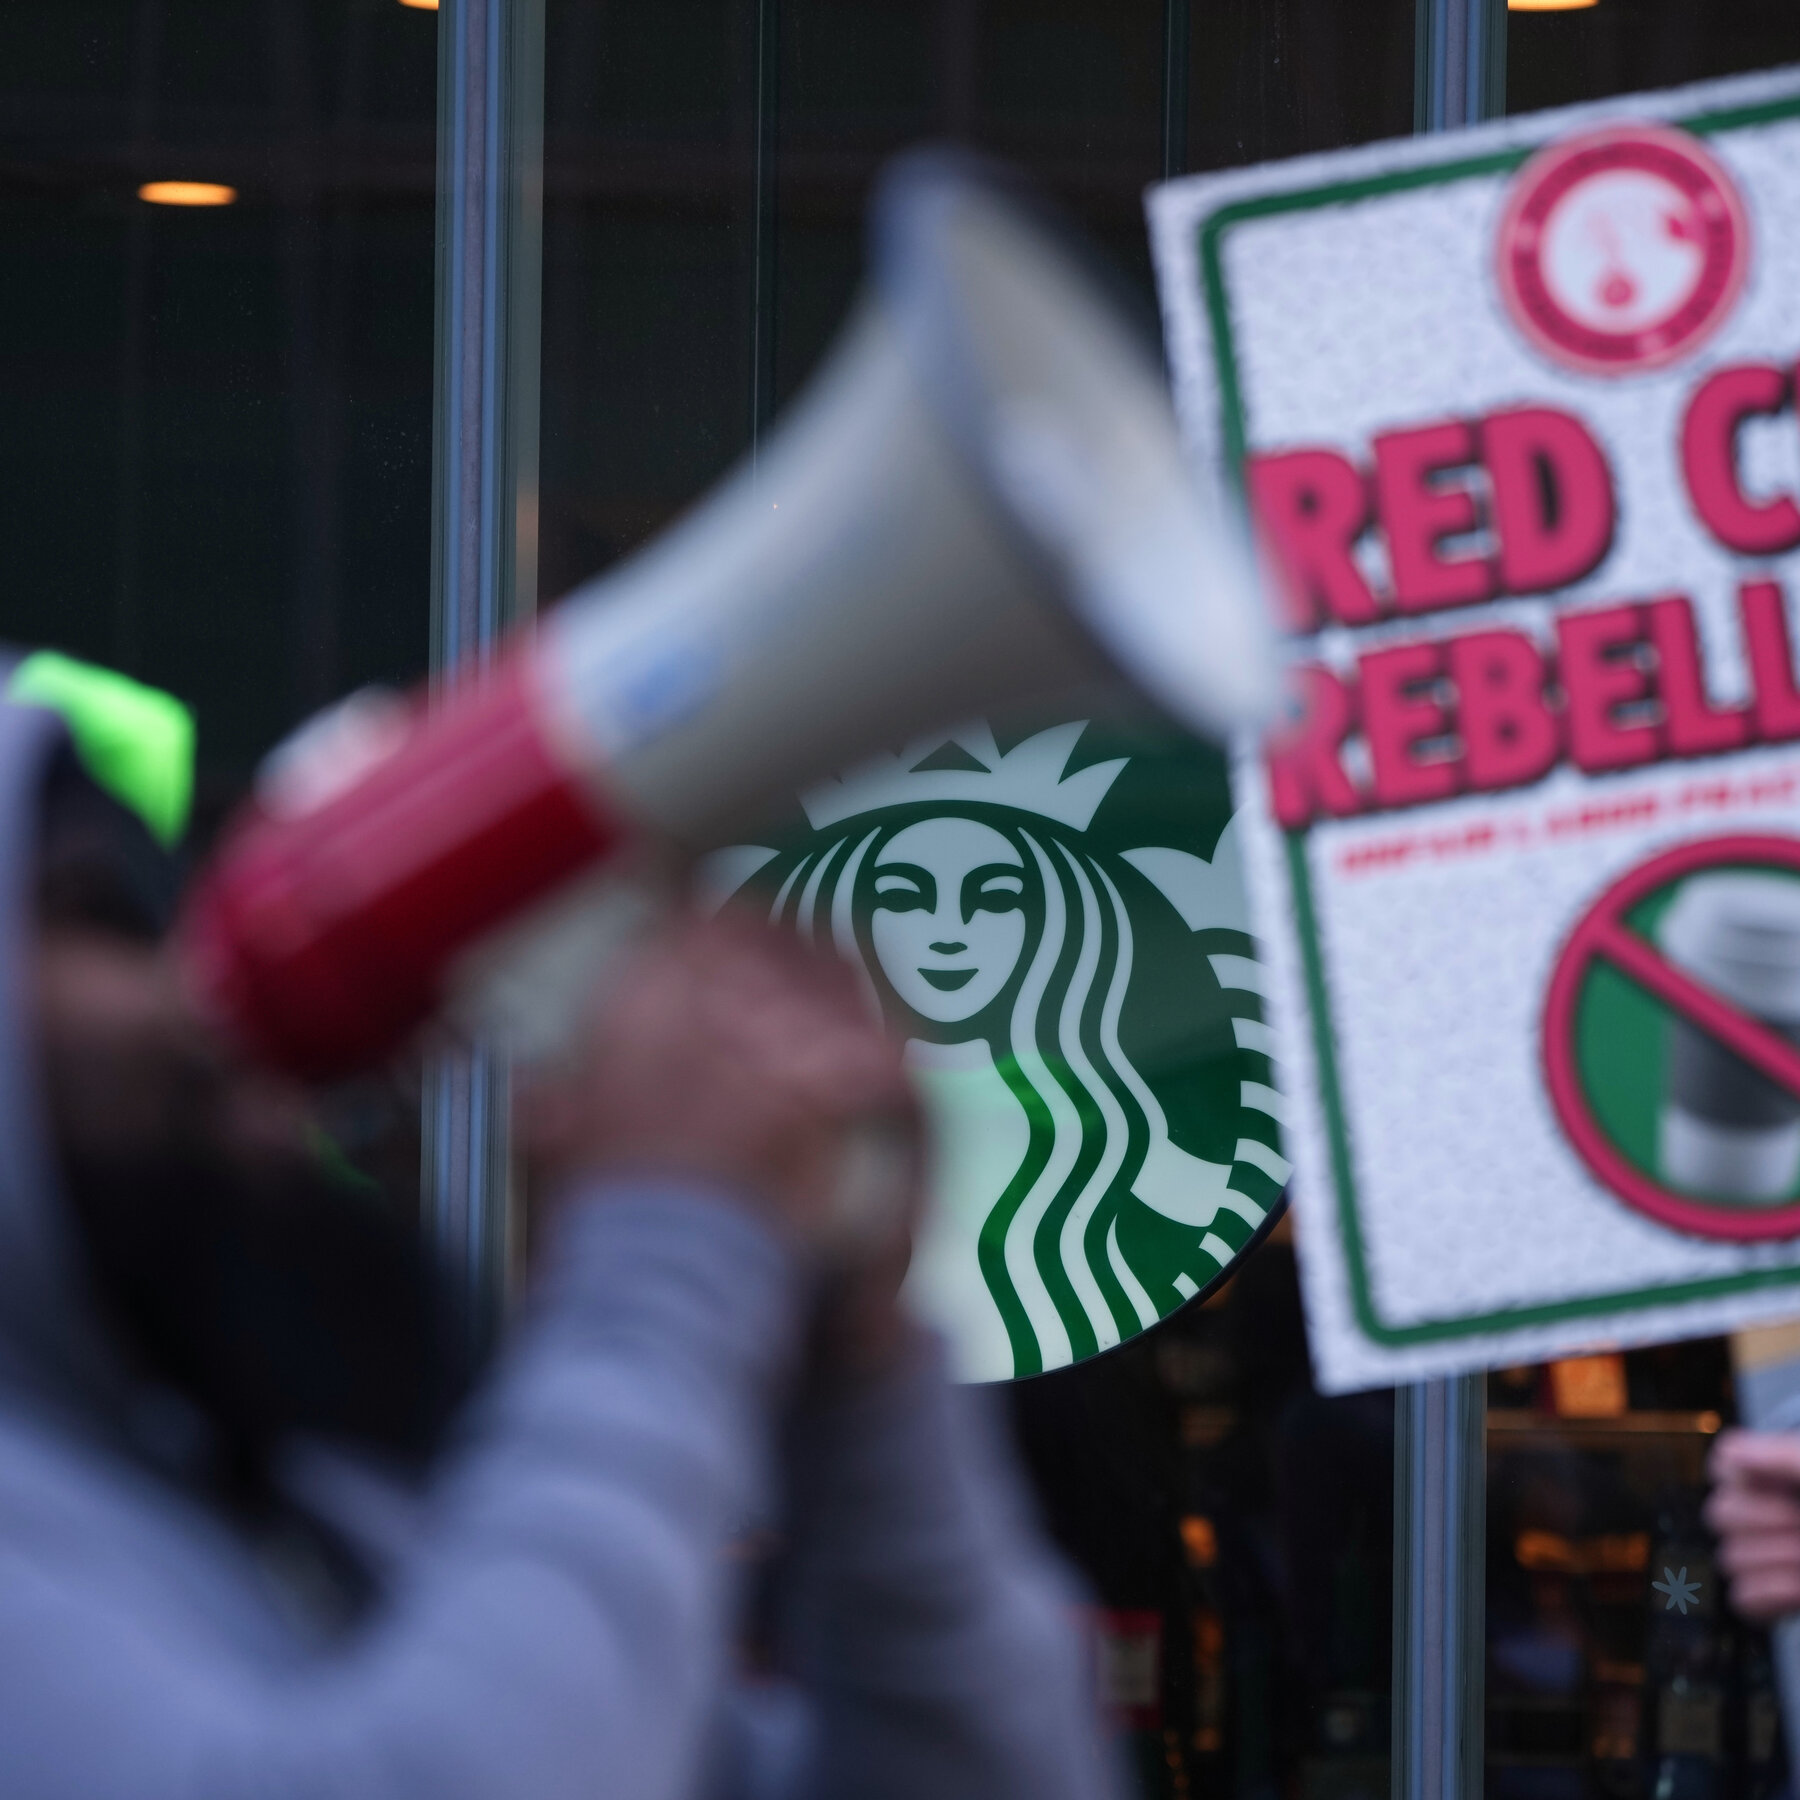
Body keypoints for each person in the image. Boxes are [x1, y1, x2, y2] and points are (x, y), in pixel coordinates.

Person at [0, 664, 1119, 1800]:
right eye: (93, 914)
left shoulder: (302, 1512)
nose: (185, 999)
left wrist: (860, 1372)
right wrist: (671, 1245)